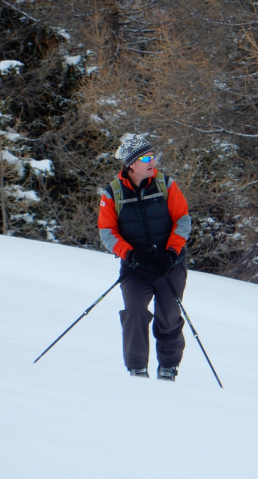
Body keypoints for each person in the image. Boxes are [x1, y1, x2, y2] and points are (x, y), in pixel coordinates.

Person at [97, 134, 191, 381]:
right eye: (147, 157)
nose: (153, 161)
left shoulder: (166, 184)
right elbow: (107, 233)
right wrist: (130, 254)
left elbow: (182, 220)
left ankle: (169, 367)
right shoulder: (112, 193)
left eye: (154, 156)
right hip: (136, 269)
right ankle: (137, 368)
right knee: (135, 313)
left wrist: (171, 253)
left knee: (169, 316)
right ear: (131, 164)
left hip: (170, 266)